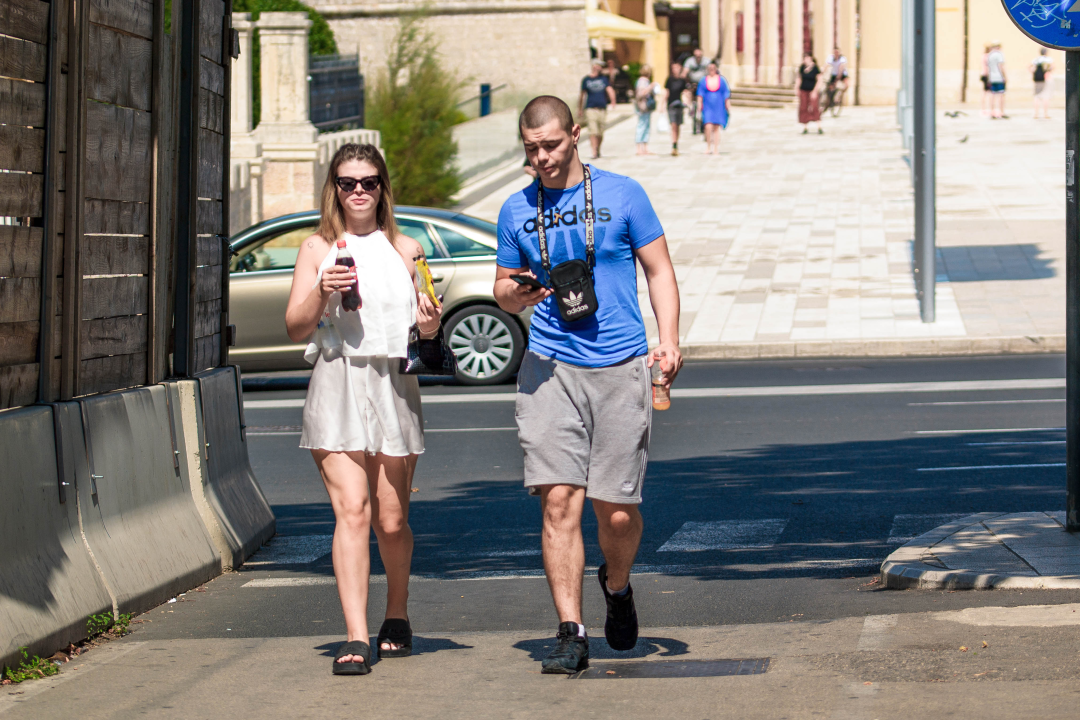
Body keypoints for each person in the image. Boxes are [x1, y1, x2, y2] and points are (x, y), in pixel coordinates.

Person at [493, 96, 682, 675]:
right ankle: (570, 630)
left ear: (575, 135)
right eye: (531, 149)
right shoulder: (515, 209)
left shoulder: (624, 195)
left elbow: (660, 270)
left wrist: (668, 341)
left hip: (620, 364)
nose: (542, 158)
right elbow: (500, 285)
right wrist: (514, 295)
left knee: (617, 512)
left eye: (550, 145)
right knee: (558, 502)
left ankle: (617, 584)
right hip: (548, 367)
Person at [285, 143, 443, 676]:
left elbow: (429, 331)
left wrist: (428, 325)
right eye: (348, 182)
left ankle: (396, 613)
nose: (358, 191)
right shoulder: (315, 248)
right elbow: (295, 327)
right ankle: (354, 635)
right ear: (333, 187)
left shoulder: (407, 248)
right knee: (351, 511)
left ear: (383, 188)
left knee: (392, 520)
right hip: (337, 380)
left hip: (393, 383)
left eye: (369, 182)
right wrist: (322, 293)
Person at [579, 59, 616, 159]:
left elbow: (609, 89)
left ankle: (598, 149)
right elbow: (582, 95)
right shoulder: (586, 80)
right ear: (594, 66)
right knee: (593, 131)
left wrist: (613, 101)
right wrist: (580, 109)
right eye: (599, 65)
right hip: (590, 108)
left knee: (600, 132)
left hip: (602, 108)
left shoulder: (603, 79)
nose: (601, 68)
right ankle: (594, 152)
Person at [696, 62, 730, 154]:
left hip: (718, 106)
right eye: (710, 68)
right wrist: (699, 105)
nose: (711, 70)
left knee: (716, 128)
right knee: (707, 126)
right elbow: (700, 93)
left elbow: (726, 93)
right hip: (707, 106)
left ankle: (715, 148)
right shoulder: (703, 80)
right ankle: (708, 146)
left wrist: (727, 105)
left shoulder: (722, 80)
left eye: (713, 68)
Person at [664, 62, 689, 155]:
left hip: (679, 105)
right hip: (671, 105)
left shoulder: (682, 80)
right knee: (673, 125)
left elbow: (685, 92)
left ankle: (676, 143)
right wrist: (662, 104)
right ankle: (673, 145)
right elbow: (666, 92)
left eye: (676, 68)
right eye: (673, 68)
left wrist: (687, 101)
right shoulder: (669, 80)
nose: (675, 70)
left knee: (678, 125)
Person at [683, 48, 709, 134]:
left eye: (699, 56)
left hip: (704, 85)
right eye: (696, 56)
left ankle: (703, 123)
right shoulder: (690, 61)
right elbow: (685, 72)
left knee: (703, 105)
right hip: (693, 85)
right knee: (692, 102)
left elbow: (711, 71)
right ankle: (691, 111)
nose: (698, 58)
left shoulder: (706, 61)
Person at [634, 65, 657, 155]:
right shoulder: (642, 81)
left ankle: (645, 147)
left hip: (646, 107)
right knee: (642, 126)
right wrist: (650, 87)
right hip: (642, 106)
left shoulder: (645, 81)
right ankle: (639, 148)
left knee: (646, 126)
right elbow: (641, 93)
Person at [797, 54, 823, 135]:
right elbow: (799, 78)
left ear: (810, 58)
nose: (805, 60)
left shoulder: (815, 68)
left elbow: (819, 80)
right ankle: (805, 127)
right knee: (803, 107)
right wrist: (797, 89)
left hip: (812, 90)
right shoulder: (802, 67)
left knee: (814, 107)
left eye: (806, 58)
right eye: (804, 58)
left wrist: (815, 91)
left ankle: (819, 127)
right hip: (803, 90)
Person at [987, 41, 1007, 119]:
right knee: (1001, 95)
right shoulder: (999, 54)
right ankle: (1001, 112)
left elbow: (988, 67)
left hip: (992, 77)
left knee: (992, 95)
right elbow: (1000, 66)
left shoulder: (990, 55)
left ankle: (992, 112)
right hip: (999, 77)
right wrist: (1005, 76)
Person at [1032, 48, 1052, 120]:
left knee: (1037, 96)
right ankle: (1045, 114)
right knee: (1046, 96)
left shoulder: (1036, 60)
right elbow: (1051, 68)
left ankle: (1036, 114)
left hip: (1038, 80)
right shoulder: (1048, 60)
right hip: (1046, 79)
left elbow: (1032, 69)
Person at [980, 44, 992, 117]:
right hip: (987, 75)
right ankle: (986, 109)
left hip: (983, 75)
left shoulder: (983, 56)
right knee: (988, 92)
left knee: (984, 92)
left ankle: (983, 108)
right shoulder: (988, 56)